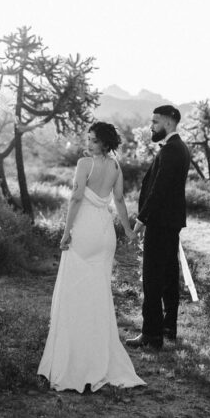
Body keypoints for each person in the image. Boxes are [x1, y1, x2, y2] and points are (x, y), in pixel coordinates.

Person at [38, 121, 145, 393]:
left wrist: (66, 232)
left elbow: (75, 199)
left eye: (94, 140)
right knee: (99, 294)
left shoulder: (85, 164)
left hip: (85, 231)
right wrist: (129, 232)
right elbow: (119, 201)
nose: (89, 144)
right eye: (88, 139)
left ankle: (75, 360)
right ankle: (99, 358)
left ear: (105, 143)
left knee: (74, 293)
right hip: (105, 232)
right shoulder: (116, 167)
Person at [126, 104, 191, 350]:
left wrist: (141, 220)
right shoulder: (178, 148)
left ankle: (152, 335)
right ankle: (168, 328)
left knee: (153, 279)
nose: (152, 126)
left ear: (169, 123)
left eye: (155, 122)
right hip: (169, 224)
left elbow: (159, 190)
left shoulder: (172, 150)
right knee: (167, 277)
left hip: (161, 223)